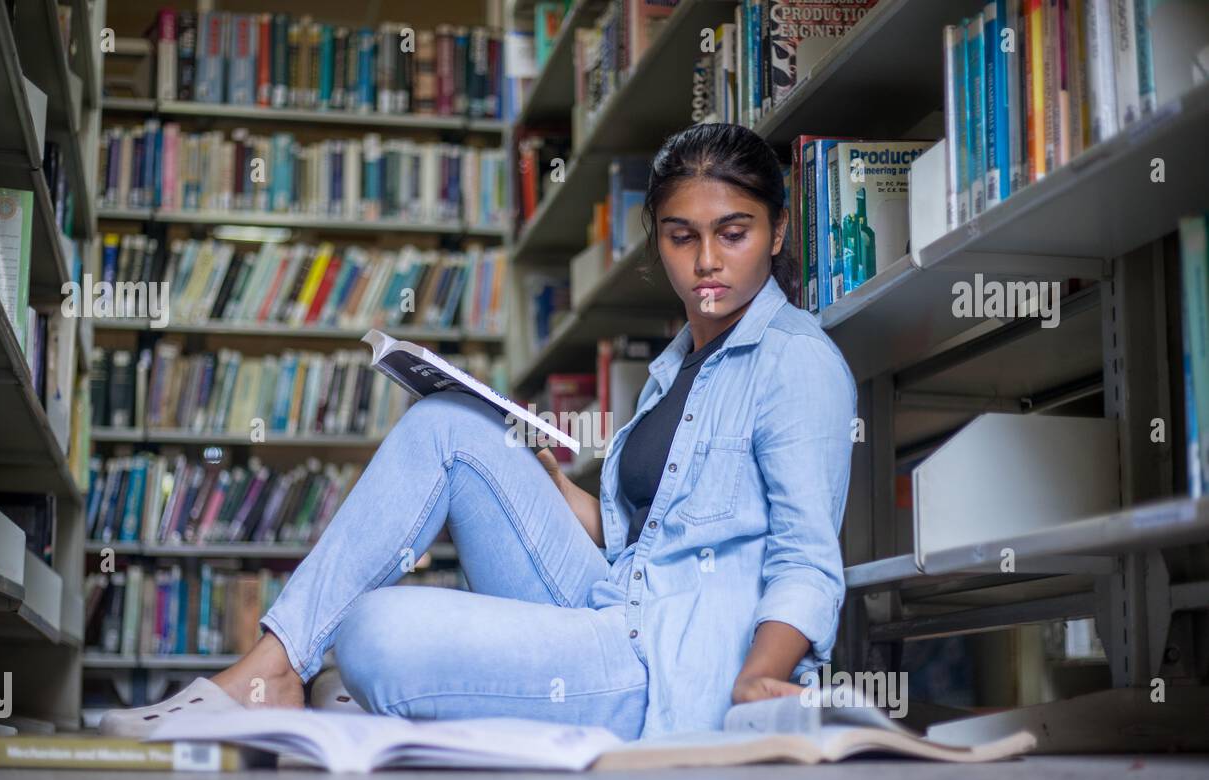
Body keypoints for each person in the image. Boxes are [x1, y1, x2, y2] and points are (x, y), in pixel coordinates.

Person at [99, 123, 857, 742]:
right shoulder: (676, 366)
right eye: (682, 237)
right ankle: (274, 665)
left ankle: (320, 679)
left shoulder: (798, 365)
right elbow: (633, 538)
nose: (707, 262)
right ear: (656, 241)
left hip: (666, 664)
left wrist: (762, 674)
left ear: (779, 229)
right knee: (447, 424)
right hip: (609, 603)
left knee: (373, 634)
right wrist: (531, 470)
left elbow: (808, 559)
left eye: (734, 233)